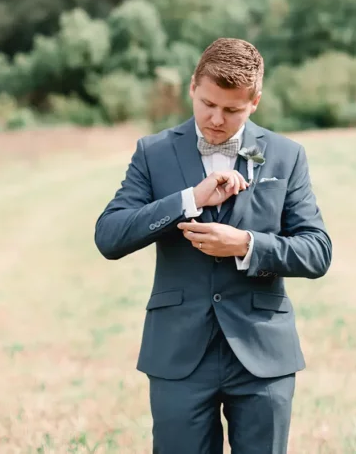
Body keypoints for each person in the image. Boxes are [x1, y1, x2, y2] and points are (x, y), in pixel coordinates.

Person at [94, 37, 332, 454]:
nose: (216, 119)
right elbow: (109, 236)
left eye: (232, 110)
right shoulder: (153, 153)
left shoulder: (286, 155)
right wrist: (189, 200)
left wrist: (246, 245)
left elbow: (317, 250)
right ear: (192, 86)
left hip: (262, 353)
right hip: (179, 353)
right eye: (207, 104)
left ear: (255, 102)